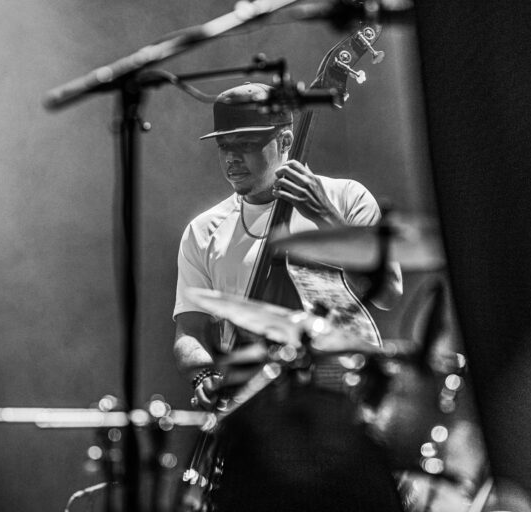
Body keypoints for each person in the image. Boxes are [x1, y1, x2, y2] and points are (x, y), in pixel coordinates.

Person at [172, 82, 404, 511]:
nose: (230, 157)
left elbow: (387, 290)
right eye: (224, 145)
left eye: (244, 143)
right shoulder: (203, 231)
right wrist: (204, 376)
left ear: (284, 140)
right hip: (254, 427)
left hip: (341, 417)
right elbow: (190, 331)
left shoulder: (346, 198)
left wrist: (326, 219)